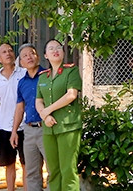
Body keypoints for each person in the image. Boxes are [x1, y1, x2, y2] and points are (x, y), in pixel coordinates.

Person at [36, 39, 82, 191]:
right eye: (51, 48)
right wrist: (45, 116)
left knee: (68, 170)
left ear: (63, 52)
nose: (55, 50)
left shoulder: (71, 71)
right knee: (53, 171)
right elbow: (38, 101)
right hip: (49, 129)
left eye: (58, 48)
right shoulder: (43, 76)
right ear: (45, 55)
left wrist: (48, 110)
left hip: (67, 126)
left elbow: (71, 95)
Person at [0, 42, 26, 191]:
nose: (8, 54)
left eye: (10, 51)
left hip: (25, 126)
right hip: (5, 127)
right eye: (4, 52)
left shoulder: (24, 73)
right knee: (9, 164)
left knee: (27, 164)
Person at [11, 43, 47, 191]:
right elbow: (20, 108)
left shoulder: (48, 76)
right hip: (29, 130)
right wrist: (14, 131)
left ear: (37, 56)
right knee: (31, 172)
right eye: (25, 56)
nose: (29, 57)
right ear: (21, 63)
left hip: (47, 128)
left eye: (32, 53)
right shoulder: (21, 83)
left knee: (53, 169)